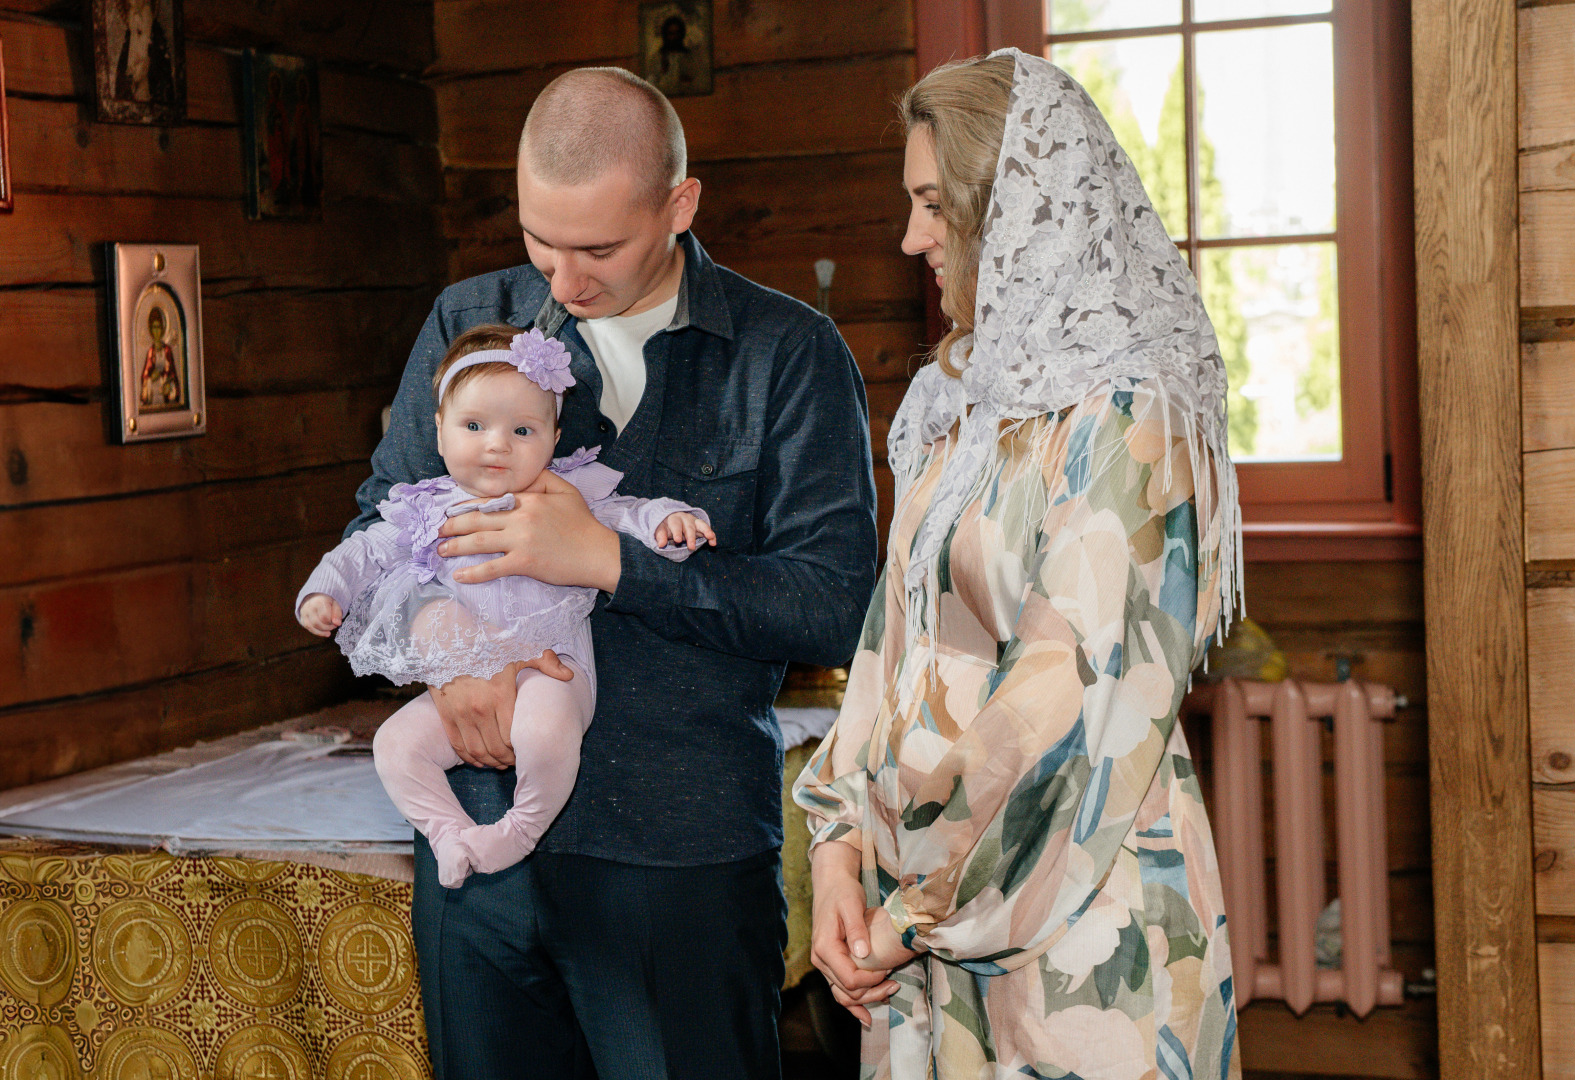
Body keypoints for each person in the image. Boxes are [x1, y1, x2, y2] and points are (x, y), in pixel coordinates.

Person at [347, 67, 875, 1079]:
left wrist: (612, 564)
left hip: (683, 855)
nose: (563, 280)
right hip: (482, 851)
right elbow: (381, 524)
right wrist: (442, 656)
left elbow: (834, 609)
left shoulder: (788, 354)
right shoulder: (471, 318)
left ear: (679, 207)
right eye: (541, 240)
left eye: (598, 248)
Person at [794, 50, 1243, 1078]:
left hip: (1075, 915)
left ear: (1018, 214)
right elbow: (887, 649)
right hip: (919, 929)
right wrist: (837, 851)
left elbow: (1068, 704)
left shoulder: (1133, 424)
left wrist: (912, 911)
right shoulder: (958, 404)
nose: (912, 238)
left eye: (933, 206)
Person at [296, 324, 713, 889]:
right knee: (394, 747)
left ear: (553, 436)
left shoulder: (565, 494)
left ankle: (519, 830)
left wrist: (670, 520)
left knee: (545, 733)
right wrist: (325, 592)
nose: (498, 444)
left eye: (522, 430)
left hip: (553, 672)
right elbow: (363, 550)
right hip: (462, 682)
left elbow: (629, 512)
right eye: (474, 426)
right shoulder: (423, 508)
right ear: (438, 431)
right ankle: (450, 835)